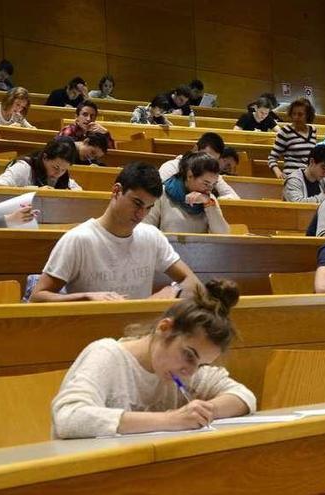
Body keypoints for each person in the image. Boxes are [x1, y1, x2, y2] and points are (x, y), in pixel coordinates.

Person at [51, 279, 256, 439]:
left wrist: (204, 412)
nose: (191, 371)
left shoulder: (185, 369)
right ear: (164, 329)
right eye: (189, 355)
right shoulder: (107, 355)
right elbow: (69, 417)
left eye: (201, 364)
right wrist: (170, 420)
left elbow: (244, 396)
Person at [29, 162, 201, 302]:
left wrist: (173, 290)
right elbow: (37, 296)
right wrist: (85, 297)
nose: (141, 214)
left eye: (149, 208)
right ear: (116, 191)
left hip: (138, 336)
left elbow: (193, 283)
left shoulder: (152, 236)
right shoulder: (79, 239)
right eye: (136, 203)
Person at [144, 152, 230, 234]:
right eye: (206, 183)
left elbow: (223, 234)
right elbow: (146, 228)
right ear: (190, 176)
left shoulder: (209, 199)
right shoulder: (162, 193)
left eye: (213, 184)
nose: (209, 189)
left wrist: (209, 204)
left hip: (200, 248)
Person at [158, 132, 239, 199]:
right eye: (204, 156)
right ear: (195, 149)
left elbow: (234, 198)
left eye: (213, 160)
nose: (208, 164)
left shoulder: (212, 174)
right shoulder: (171, 167)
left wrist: (209, 199)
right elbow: (158, 194)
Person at [0, 138, 81, 190]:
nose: (58, 174)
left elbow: (78, 190)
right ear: (45, 157)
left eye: (64, 170)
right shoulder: (23, 167)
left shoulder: (62, 176)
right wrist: (34, 191)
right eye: (55, 167)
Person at [268, 97, 317, 179]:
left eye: (300, 114)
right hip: (291, 177)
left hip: (309, 178)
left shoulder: (313, 130)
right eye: (294, 114)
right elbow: (272, 158)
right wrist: (278, 173)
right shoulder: (285, 131)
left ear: (308, 115)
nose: (296, 117)